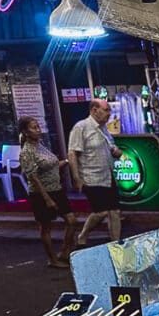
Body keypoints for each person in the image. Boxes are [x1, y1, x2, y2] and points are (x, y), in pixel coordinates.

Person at [18, 116, 78, 268]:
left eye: (38, 126)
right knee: (46, 227)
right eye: (34, 127)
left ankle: (65, 251)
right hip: (41, 194)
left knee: (71, 221)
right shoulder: (26, 152)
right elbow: (33, 177)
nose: (38, 130)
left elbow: (50, 165)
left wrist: (65, 162)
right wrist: (47, 199)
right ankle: (52, 259)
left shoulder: (41, 145)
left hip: (56, 189)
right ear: (25, 132)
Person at [68, 99, 122, 245]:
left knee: (114, 212)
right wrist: (76, 177)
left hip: (108, 175)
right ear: (94, 110)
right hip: (91, 177)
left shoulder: (103, 128)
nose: (109, 114)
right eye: (106, 110)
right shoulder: (81, 127)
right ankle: (83, 235)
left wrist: (116, 151)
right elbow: (72, 153)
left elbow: (111, 146)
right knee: (101, 212)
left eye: (109, 110)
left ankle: (116, 243)